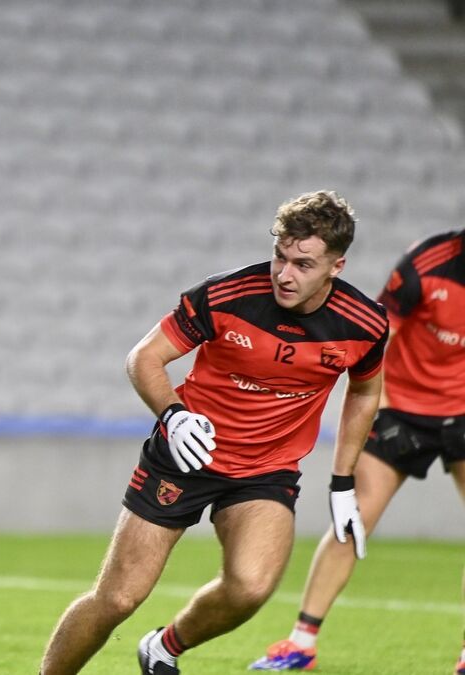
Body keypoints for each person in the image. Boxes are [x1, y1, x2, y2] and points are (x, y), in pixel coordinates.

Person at [39, 190, 387, 675]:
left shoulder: (365, 324)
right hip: (186, 454)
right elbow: (144, 358)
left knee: (251, 587)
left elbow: (365, 393)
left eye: (303, 264)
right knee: (118, 598)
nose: (285, 274)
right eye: (280, 257)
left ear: (337, 266)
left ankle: (163, 647)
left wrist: (344, 481)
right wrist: (174, 415)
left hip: (265, 470)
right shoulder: (227, 295)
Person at [248, 229, 465, 673]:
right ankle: (301, 644)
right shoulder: (426, 264)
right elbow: (378, 340)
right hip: (401, 408)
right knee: (353, 521)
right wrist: (381, 410)